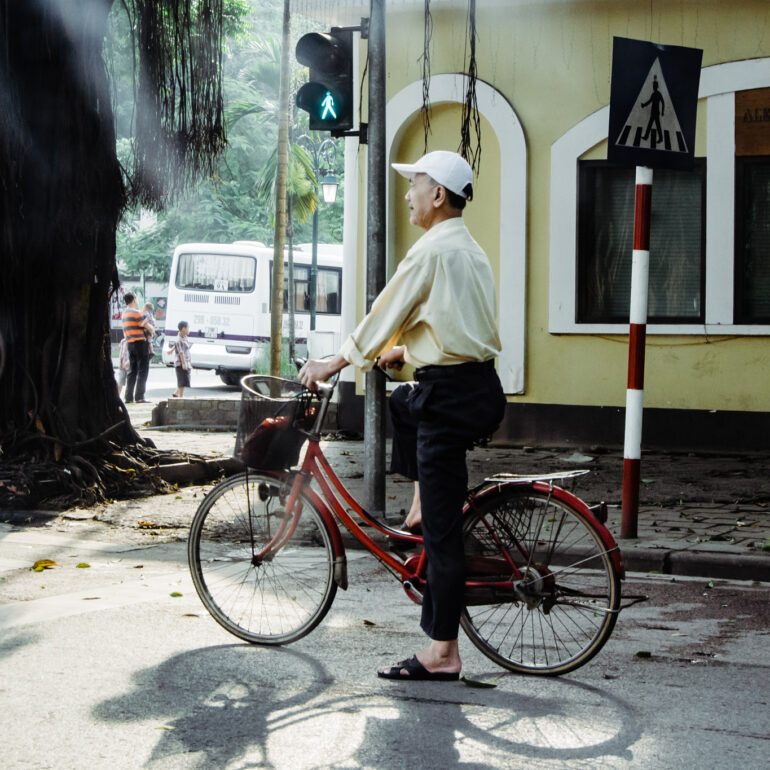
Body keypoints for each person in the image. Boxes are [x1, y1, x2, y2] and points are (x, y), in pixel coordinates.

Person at [299, 150, 506, 681]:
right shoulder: (469, 249)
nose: (409, 194)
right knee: (400, 402)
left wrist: (333, 362)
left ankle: (442, 653)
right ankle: (419, 503)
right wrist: (406, 354)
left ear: (438, 194)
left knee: (442, 534)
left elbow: (383, 314)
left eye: (416, 184)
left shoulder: (430, 251)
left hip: (449, 399)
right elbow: (455, 327)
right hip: (477, 388)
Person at [122, 292, 154, 403]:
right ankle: (140, 396)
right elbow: (149, 328)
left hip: (130, 344)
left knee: (132, 370)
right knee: (143, 370)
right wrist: (151, 329)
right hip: (140, 343)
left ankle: (128, 397)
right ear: (134, 299)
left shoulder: (124, 314)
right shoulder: (137, 313)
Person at [167, 320, 191, 398]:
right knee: (182, 381)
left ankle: (176, 393)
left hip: (186, 361)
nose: (189, 330)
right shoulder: (179, 340)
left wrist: (171, 350)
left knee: (184, 379)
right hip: (180, 363)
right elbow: (181, 353)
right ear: (183, 329)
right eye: (188, 328)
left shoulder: (184, 337)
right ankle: (181, 397)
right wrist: (184, 364)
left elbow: (177, 345)